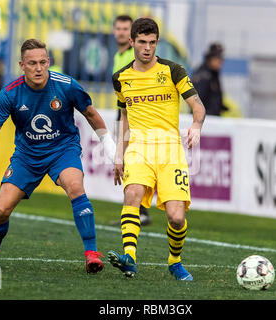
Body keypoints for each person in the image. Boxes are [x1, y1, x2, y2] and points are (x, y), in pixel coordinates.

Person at [0, 39, 117, 274]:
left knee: (75, 186)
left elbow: (92, 115)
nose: (39, 68)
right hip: (27, 156)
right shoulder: (10, 94)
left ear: (49, 62)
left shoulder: (67, 85)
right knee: (1, 210)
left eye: (43, 62)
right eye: (32, 63)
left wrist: (112, 151)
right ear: (22, 65)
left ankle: (91, 254)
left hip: (62, 150)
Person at [108, 18, 206, 281]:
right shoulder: (121, 78)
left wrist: (196, 126)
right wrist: (119, 154)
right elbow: (124, 118)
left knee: (176, 217)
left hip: (170, 151)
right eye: (142, 42)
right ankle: (130, 257)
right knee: (133, 195)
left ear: (157, 43)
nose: (147, 48)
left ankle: (175, 261)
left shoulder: (173, 70)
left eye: (152, 43)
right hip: (139, 148)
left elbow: (198, 106)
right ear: (132, 42)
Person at [112, 14, 152, 226]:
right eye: (118, 28)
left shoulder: (133, 56)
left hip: (136, 118)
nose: (121, 32)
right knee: (125, 161)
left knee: (135, 161)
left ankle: (140, 209)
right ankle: (134, 208)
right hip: (122, 113)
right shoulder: (117, 57)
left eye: (125, 29)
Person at [192, 43, 228, 116]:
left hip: (212, 119)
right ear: (210, 59)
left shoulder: (214, 74)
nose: (220, 63)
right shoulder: (203, 76)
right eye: (218, 59)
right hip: (204, 120)